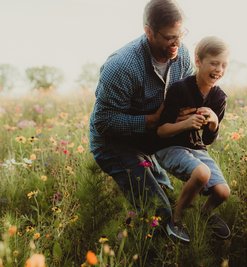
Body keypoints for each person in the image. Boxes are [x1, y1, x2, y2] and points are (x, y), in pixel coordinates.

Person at [89, 0, 194, 223]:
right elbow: (104, 121)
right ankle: (146, 251)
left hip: (147, 139)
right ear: (149, 32)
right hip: (112, 143)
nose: (177, 43)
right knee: (159, 211)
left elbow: (188, 91)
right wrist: (152, 120)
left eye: (180, 34)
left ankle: (168, 244)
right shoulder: (122, 66)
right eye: (169, 37)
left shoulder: (182, 55)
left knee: (169, 198)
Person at [155, 36, 231, 242]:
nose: (219, 69)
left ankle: (204, 214)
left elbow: (206, 140)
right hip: (169, 147)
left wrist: (214, 122)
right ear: (198, 61)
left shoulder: (219, 98)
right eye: (214, 63)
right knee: (201, 173)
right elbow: (161, 131)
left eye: (224, 65)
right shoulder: (180, 90)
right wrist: (185, 124)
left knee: (223, 192)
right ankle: (176, 221)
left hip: (197, 149)